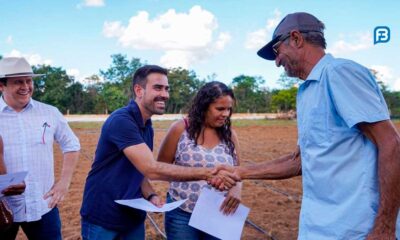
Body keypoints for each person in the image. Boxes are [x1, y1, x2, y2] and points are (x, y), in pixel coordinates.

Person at [217, 12, 400, 240]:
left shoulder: (338, 73)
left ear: (296, 38)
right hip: (319, 228)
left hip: (355, 229)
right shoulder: (308, 90)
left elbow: (391, 143)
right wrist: (240, 172)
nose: (276, 61)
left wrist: (384, 228)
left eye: (276, 51)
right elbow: (301, 161)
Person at [80, 65, 239, 240]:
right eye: (158, 88)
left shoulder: (146, 125)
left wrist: (151, 194)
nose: (164, 94)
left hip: (132, 216)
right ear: (139, 90)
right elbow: (152, 169)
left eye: (166, 88)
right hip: (104, 214)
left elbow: (139, 170)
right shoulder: (121, 121)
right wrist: (208, 173)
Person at [0, 57, 81, 239]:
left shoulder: (49, 113)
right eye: (18, 82)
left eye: (29, 80)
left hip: (43, 205)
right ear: (1, 85)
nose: (26, 86)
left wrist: (64, 183)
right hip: (2, 207)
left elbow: (72, 145)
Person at [157, 81, 242, 239]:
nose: (226, 114)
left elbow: (238, 170)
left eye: (229, 109)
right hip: (182, 213)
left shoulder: (229, 134)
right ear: (204, 106)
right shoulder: (180, 129)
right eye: (220, 109)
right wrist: (199, 174)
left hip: (219, 211)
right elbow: (160, 169)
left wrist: (236, 189)